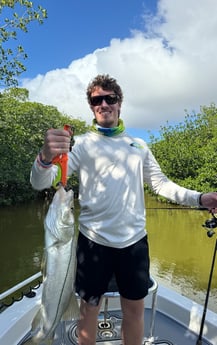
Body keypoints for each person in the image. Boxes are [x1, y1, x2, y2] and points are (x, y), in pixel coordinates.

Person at [30, 74, 217, 345]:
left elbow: (162, 185)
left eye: (110, 98)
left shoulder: (139, 146)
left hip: (134, 244)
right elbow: (41, 182)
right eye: (97, 100)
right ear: (91, 105)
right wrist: (45, 157)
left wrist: (201, 198)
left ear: (120, 103)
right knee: (87, 311)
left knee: (135, 311)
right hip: (92, 243)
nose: (104, 104)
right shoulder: (79, 145)